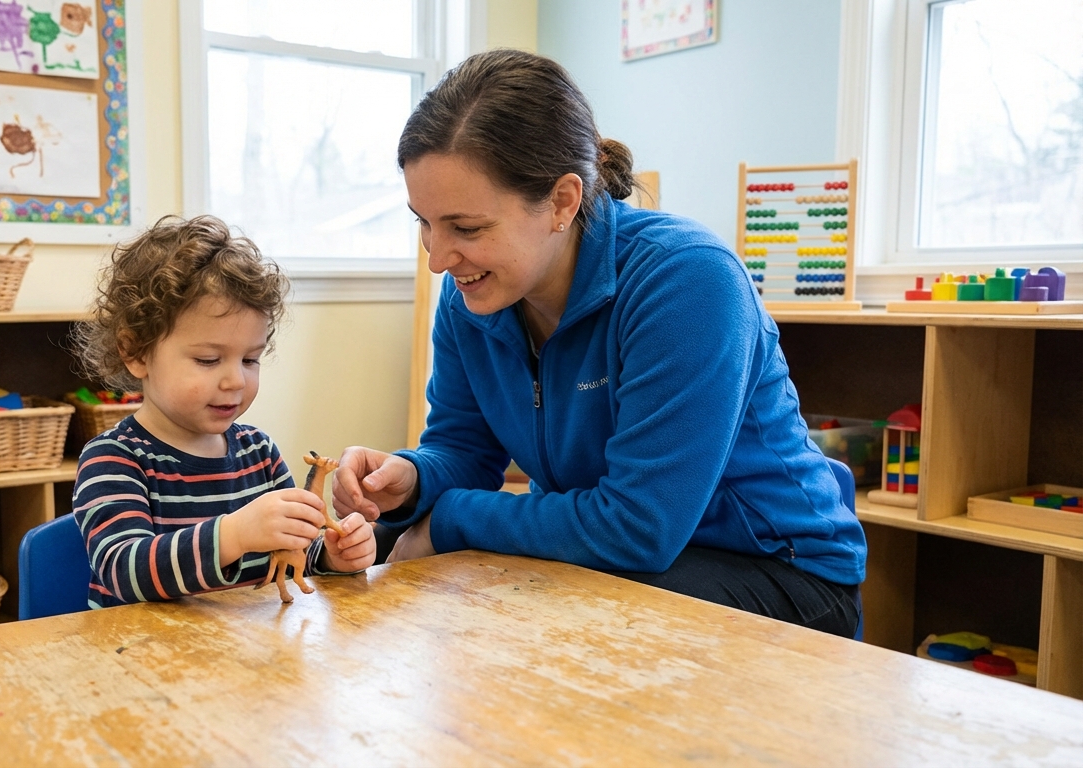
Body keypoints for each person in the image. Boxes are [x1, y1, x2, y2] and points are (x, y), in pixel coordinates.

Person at [333, 50, 866, 637]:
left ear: (562, 201)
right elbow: (463, 451)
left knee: (540, 624)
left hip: (779, 570)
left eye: (466, 228)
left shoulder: (687, 280)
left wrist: (447, 520)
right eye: (424, 223)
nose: (437, 259)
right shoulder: (471, 297)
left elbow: (639, 528)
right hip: (632, 556)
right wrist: (414, 479)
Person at [71, 215, 376, 607]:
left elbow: (294, 553)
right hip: (140, 657)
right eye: (208, 359)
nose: (236, 381)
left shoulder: (259, 453)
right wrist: (234, 535)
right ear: (135, 352)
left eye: (250, 360)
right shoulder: (113, 459)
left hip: (242, 654)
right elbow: (125, 572)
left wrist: (334, 554)